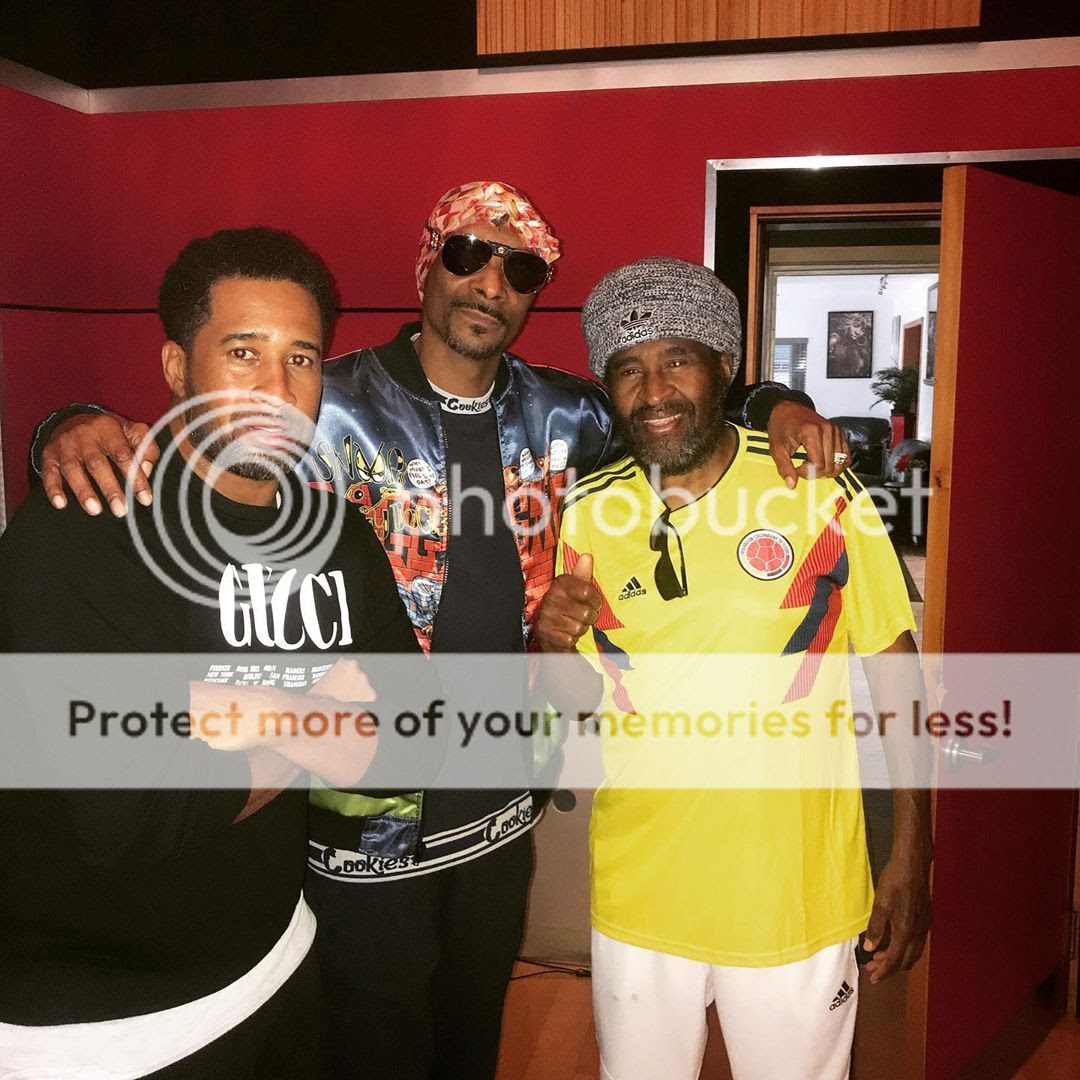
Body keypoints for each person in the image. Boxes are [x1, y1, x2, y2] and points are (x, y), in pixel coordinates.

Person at [27, 184, 851, 1080]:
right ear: (427, 265)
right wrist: (68, 426)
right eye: (467, 254)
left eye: (521, 270)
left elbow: (671, 410)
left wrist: (774, 401)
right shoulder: (323, 396)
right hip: (349, 825)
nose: (491, 283)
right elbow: (189, 445)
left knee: (469, 1043)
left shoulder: (567, 415)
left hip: (500, 800)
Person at [0, 227, 425, 1078]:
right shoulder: (84, 530)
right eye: (243, 353)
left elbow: (408, 734)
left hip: (279, 954)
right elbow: (131, 818)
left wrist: (217, 717)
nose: (277, 391)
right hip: (103, 1028)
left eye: (301, 359)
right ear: (175, 367)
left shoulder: (338, 536)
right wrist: (312, 717)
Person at [536, 256, 932, 1080]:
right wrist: (547, 646)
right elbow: (575, 704)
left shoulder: (818, 490)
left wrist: (911, 853)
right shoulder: (589, 512)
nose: (654, 392)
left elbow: (896, 671)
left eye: (676, 360)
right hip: (643, 892)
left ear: (724, 365)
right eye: (629, 370)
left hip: (795, 893)